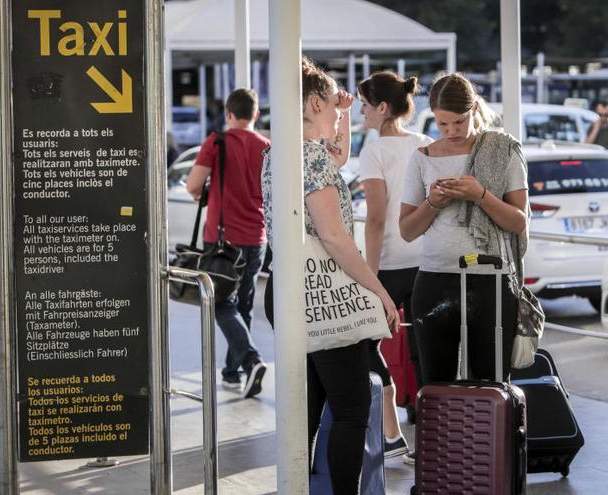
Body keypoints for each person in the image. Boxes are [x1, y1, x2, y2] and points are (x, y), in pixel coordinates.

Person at [262, 58, 398, 495]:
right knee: (351, 408)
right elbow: (336, 239)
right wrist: (379, 292)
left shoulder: (278, 150)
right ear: (314, 102)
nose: (341, 115)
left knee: (306, 408)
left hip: (288, 291)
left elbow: (334, 156)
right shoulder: (310, 156)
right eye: (334, 109)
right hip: (325, 293)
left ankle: (295, 487)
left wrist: (337, 118)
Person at [399, 72, 529, 405]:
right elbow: (408, 230)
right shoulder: (422, 157)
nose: (452, 132)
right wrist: (433, 202)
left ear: (474, 110)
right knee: (435, 385)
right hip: (434, 278)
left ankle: (489, 455)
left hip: (490, 281)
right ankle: (444, 455)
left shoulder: (502, 150)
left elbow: (518, 221)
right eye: (443, 125)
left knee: (490, 386)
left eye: (459, 122)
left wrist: (480, 194)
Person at [357, 71, 433, 461]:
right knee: (425, 354)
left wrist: (369, 276)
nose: (361, 111)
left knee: (365, 343)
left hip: (387, 265)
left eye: (366, 105)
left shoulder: (374, 149)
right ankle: (432, 441)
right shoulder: (425, 145)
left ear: (383, 108)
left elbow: (374, 218)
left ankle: (391, 433)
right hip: (427, 264)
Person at [186, 88, 269, 399]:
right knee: (243, 305)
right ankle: (233, 373)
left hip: (222, 241)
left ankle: (251, 360)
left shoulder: (216, 142)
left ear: (229, 114)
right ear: (256, 114)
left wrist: (204, 193)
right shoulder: (266, 146)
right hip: (255, 239)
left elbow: (194, 184)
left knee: (221, 304)